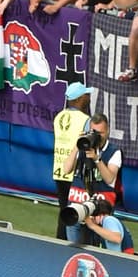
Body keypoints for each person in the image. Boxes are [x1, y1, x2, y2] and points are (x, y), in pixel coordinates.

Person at [51, 80, 92, 240]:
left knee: (63, 209)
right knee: (74, 212)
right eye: (86, 95)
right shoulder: (85, 120)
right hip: (74, 172)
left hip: (59, 169)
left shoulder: (58, 117)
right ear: (79, 99)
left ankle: (60, 241)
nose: (88, 98)